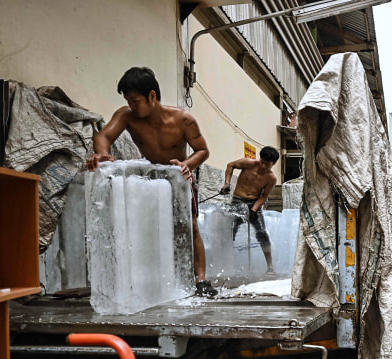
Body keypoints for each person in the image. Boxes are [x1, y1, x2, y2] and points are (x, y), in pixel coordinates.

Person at [86, 67, 217, 297]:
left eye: (135, 100)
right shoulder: (126, 116)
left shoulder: (183, 120)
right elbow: (104, 136)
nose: (132, 106)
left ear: (152, 96)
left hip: (179, 176)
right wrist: (101, 153)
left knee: (190, 227)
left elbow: (203, 150)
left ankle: (201, 280)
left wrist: (188, 165)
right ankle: (153, 278)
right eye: (128, 100)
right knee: (152, 227)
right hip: (151, 178)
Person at [220, 147, 279, 275]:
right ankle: (224, 264)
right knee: (229, 232)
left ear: (273, 164)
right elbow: (231, 165)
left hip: (254, 204)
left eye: (267, 164)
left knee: (262, 233)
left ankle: (270, 266)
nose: (263, 166)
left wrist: (253, 210)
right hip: (237, 201)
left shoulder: (271, 178)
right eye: (262, 161)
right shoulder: (249, 164)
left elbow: (264, 196)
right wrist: (227, 183)